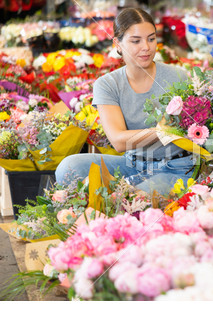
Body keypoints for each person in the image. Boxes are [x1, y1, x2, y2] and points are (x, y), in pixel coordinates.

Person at [55, 8, 194, 195]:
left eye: (151, 39)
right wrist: (163, 131)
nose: (146, 47)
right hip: (132, 164)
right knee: (68, 167)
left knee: (136, 198)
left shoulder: (178, 77)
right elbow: (119, 141)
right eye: (136, 41)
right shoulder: (108, 84)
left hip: (175, 166)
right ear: (118, 44)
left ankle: (118, 194)